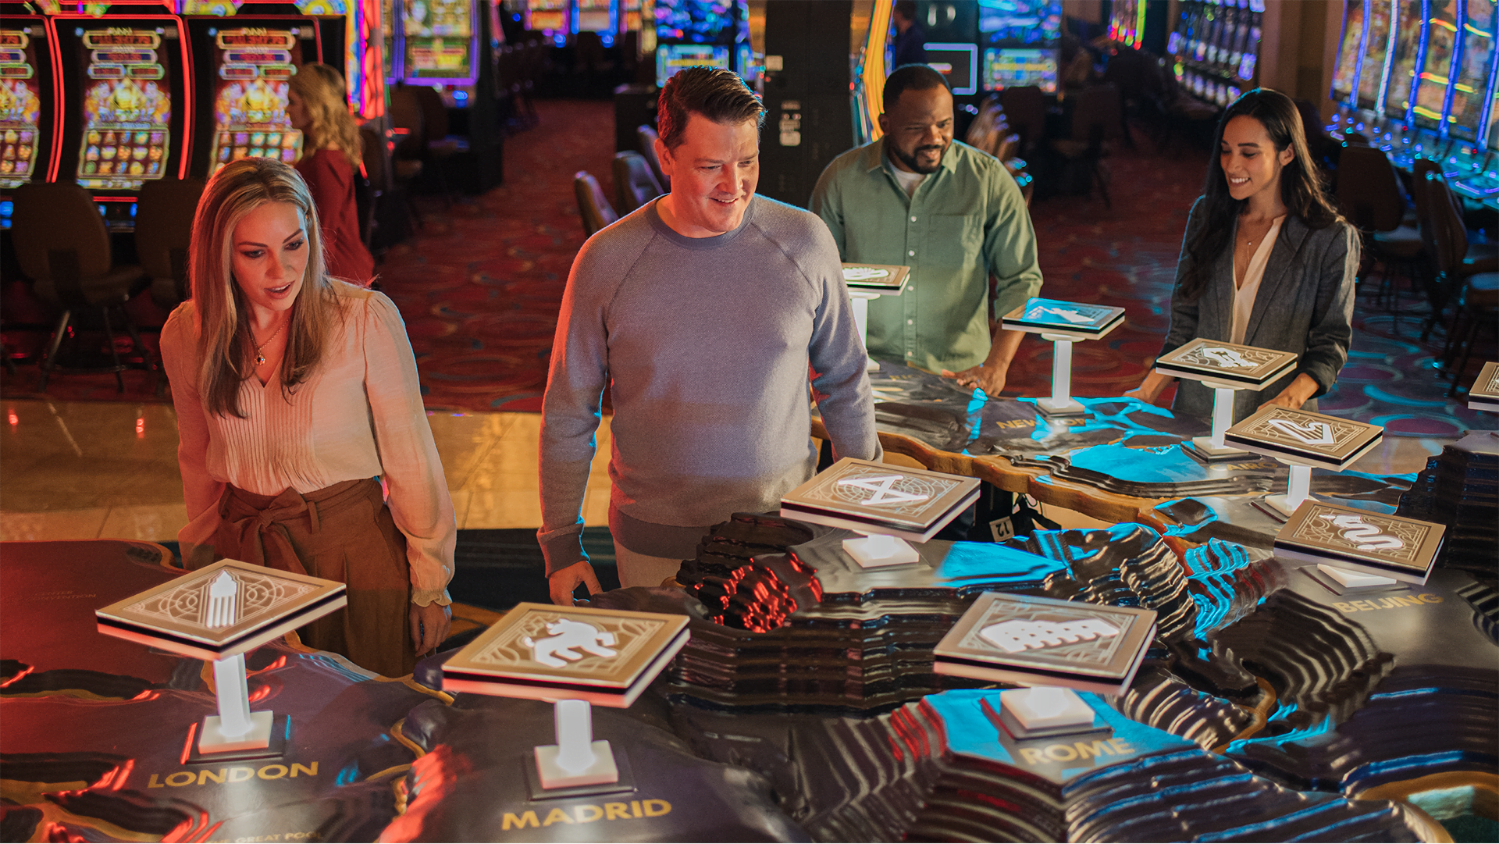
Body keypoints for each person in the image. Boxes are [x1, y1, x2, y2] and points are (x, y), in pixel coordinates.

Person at [539, 67, 881, 604]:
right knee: (670, 686)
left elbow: (845, 380)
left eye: (747, 162)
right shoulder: (606, 260)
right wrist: (562, 543)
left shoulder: (805, 242)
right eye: (711, 166)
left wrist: (863, 509)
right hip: (654, 544)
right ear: (665, 158)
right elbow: (569, 408)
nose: (734, 185)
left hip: (785, 537)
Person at [161, 158, 454, 678]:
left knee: (365, 728)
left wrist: (431, 581)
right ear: (219, 255)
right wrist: (203, 557)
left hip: (350, 550)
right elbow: (195, 457)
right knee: (261, 725)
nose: (282, 271)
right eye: (255, 254)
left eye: (295, 245)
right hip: (245, 551)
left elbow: (411, 459)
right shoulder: (187, 332)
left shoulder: (363, 319)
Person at [1125, 88, 1358, 422]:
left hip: (1274, 420)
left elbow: (1330, 343)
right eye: (1225, 150)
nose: (1232, 164)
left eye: (1249, 153)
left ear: (1287, 153)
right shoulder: (1207, 216)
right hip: (1198, 412)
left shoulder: (1329, 238)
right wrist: (1148, 390)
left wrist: (1289, 400)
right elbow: (1185, 325)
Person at [811, 64, 1043, 397]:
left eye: (944, 124)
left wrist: (998, 364)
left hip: (958, 374)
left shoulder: (987, 180)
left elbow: (1021, 279)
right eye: (917, 127)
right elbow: (815, 282)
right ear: (885, 125)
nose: (934, 138)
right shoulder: (841, 179)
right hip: (865, 372)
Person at [288, 63, 376, 286]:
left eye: (292, 102)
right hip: (335, 269)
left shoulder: (325, 159)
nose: (286, 109)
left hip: (339, 274)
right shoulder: (322, 152)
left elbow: (325, 231)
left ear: (312, 105)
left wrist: (310, 282)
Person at [890, 0, 927, 68]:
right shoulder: (899, 35)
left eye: (894, 12)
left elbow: (918, 65)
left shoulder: (915, 38)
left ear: (899, 14)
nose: (892, 16)